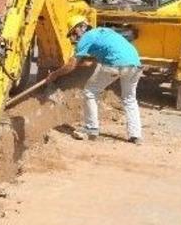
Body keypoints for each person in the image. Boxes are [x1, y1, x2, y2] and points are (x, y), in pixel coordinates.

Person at [42, 15, 143, 144]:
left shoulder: (86, 38)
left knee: (90, 92)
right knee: (129, 99)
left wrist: (55, 75)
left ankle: (91, 128)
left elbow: (72, 64)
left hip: (115, 64)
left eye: (74, 32)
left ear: (82, 27)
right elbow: (95, 58)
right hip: (135, 64)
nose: (74, 36)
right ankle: (136, 135)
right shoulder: (102, 32)